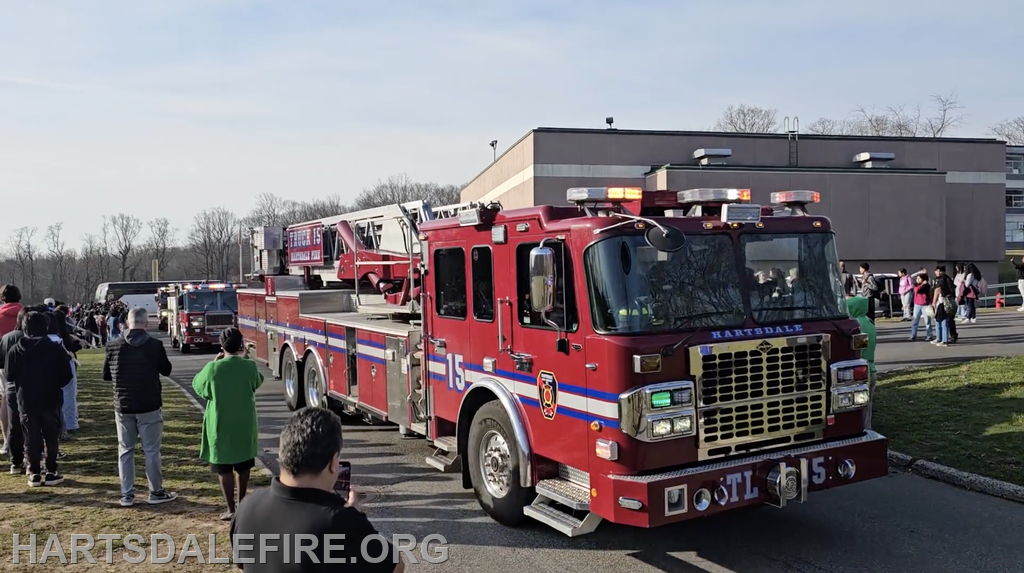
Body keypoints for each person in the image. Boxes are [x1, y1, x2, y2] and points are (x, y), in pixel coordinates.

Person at [230, 408, 404, 573]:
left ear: (283, 454)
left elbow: (243, 567)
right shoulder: (341, 522)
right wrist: (356, 519)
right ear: (333, 463)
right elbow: (395, 566)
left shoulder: (247, 507)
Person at [103, 307, 177, 507]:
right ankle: (156, 491)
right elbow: (167, 370)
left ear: (127, 323)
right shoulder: (154, 345)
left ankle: (126, 494)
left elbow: (107, 375)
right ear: (146, 323)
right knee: (151, 450)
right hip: (149, 403)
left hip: (123, 404)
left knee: (125, 450)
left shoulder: (113, 345)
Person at [192, 328, 265, 520]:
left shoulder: (213, 368)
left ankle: (230, 508)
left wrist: (215, 362)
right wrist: (246, 356)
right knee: (243, 466)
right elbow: (256, 382)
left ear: (221, 345)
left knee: (223, 468)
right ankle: (242, 505)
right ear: (240, 344)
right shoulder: (249, 366)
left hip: (220, 423)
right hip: (244, 423)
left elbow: (198, 386)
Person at [3, 311, 73, 486]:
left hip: (25, 398)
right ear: (46, 327)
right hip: (49, 396)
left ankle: (34, 471)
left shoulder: (15, 350)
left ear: (24, 328)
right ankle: (51, 470)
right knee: (51, 436)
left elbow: (9, 375)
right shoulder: (55, 349)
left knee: (30, 436)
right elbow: (67, 375)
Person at [846, 296, 877, 429]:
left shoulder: (858, 326)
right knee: (867, 406)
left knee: (858, 405)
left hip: (862, 370)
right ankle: (868, 431)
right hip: (872, 367)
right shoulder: (869, 322)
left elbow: (859, 349)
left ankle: (861, 432)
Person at [0, 284, 24, 456]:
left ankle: (7, 440)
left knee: (6, 400)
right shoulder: (26, 314)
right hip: (28, 360)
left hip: (4, 361)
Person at [931, 266, 956, 347]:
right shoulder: (948, 279)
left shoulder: (940, 280)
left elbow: (937, 291)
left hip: (941, 303)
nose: (937, 272)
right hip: (948, 302)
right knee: (943, 321)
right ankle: (940, 338)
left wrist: (934, 302)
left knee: (941, 321)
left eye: (939, 271)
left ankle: (943, 340)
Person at [909, 274, 934, 342]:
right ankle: (913, 335)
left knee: (927, 321)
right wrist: (922, 284)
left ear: (923, 279)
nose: (917, 280)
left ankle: (929, 335)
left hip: (925, 305)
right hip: (917, 305)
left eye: (919, 278)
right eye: (917, 278)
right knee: (915, 321)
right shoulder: (916, 286)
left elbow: (924, 291)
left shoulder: (927, 286)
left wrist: (924, 284)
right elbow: (917, 290)